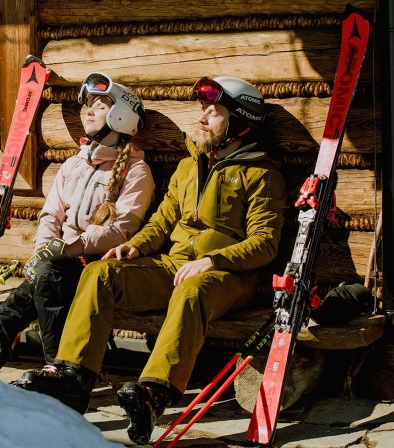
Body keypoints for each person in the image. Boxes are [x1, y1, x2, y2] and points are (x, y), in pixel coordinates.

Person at [16, 76, 288, 445]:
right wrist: (137, 247)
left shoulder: (262, 175)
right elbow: (162, 221)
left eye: (215, 112)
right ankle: (72, 375)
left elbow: (265, 244)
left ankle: (155, 392)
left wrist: (212, 261)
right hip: (174, 264)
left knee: (193, 289)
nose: (203, 118)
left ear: (241, 123)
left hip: (229, 277)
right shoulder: (188, 167)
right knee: (100, 273)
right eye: (203, 110)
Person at [0, 72, 155, 378]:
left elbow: (121, 228)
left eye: (100, 105)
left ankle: (59, 371)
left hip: (95, 262)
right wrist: (44, 248)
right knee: (16, 305)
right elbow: (50, 215)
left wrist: (66, 248)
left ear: (121, 115)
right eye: (89, 105)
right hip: (56, 262)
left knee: (48, 275)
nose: (89, 110)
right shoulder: (73, 165)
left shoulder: (136, 171)